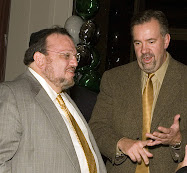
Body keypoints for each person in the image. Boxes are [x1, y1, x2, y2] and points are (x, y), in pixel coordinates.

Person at [89, 10, 187, 173]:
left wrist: (178, 139)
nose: (144, 51)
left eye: (151, 42)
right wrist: (120, 143)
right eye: (138, 43)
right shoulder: (114, 79)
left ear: (166, 40)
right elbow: (96, 128)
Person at [0, 26, 107, 173]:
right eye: (66, 55)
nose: (75, 63)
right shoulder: (12, 95)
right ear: (40, 59)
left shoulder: (65, 99)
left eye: (75, 56)